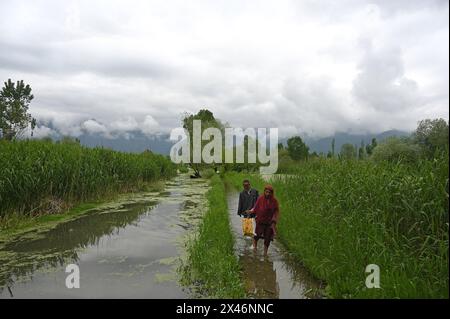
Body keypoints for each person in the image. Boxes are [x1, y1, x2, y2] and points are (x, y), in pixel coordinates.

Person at [246, 184, 279, 257]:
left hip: (269, 222)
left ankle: (265, 253)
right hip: (260, 221)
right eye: (266, 192)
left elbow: (276, 211)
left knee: (267, 238)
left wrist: (274, 219)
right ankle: (254, 248)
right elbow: (255, 207)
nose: (267, 194)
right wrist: (251, 211)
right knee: (257, 235)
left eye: (269, 192)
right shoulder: (260, 198)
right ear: (264, 192)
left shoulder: (274, 201)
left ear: (272, 193)